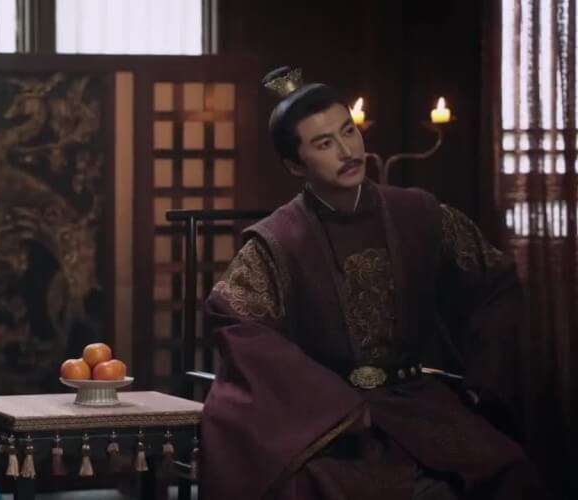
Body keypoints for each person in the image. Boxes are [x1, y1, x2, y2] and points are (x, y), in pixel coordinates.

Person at [200, 68, 550, 500]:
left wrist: (482, 381)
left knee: (508, 470)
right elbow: (233, 318)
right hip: (334, 419)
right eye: (324, 143)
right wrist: (330, 405)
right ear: (295, 165)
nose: (347, 151)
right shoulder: (279, 240)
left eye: (348, 131)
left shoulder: (418, 214)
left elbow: (494, 280)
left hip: (419, 403)